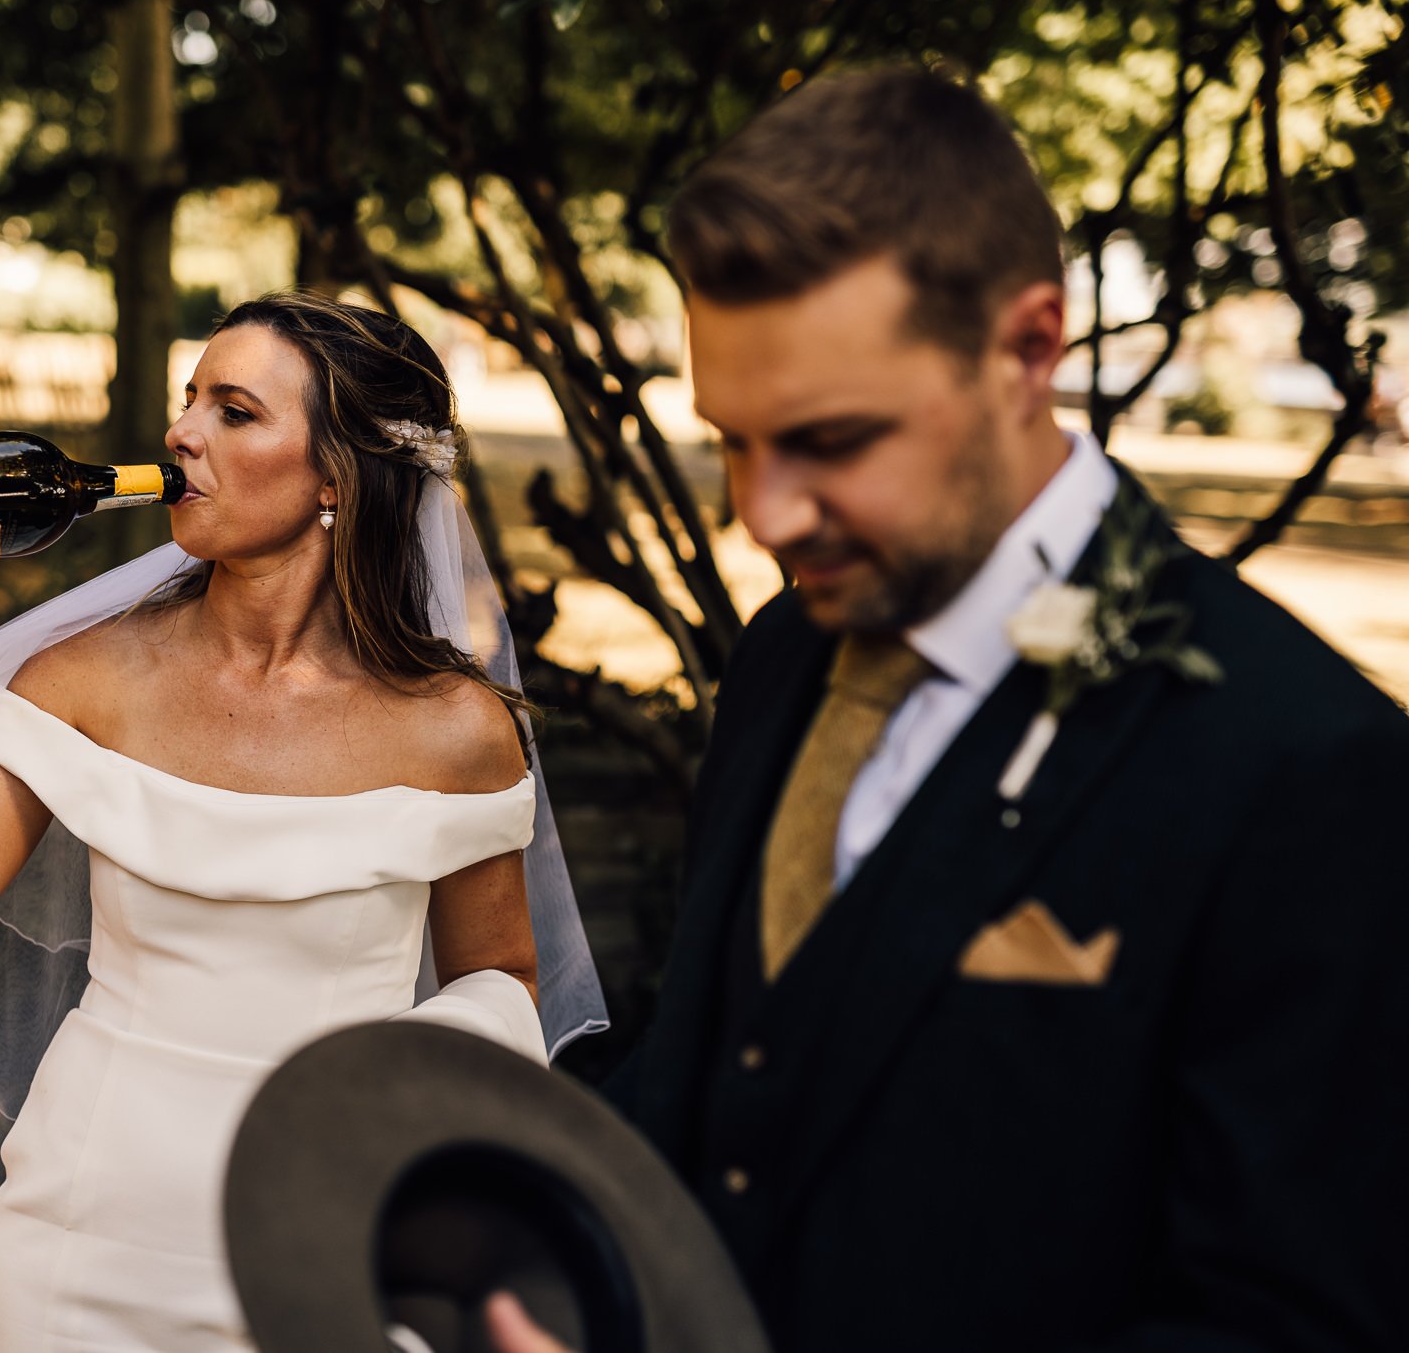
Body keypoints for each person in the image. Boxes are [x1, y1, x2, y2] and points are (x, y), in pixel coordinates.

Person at [495, 67, 1409, 1352]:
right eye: (734, 440)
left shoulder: (1304, 770)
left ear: (1028, 349)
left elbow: (1287, 1320)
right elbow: (718, 1066)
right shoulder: (777, 659)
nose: (765, 512)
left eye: (830, 439)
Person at [0, 289, 607, 1350]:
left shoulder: (456, 731)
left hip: (337, 1248)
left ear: (336, 478)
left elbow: (499, 983)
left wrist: (388, 1129)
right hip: (87, 1241)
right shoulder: (88, 681)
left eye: (235, 411)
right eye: (187, 399)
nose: (180, 432)